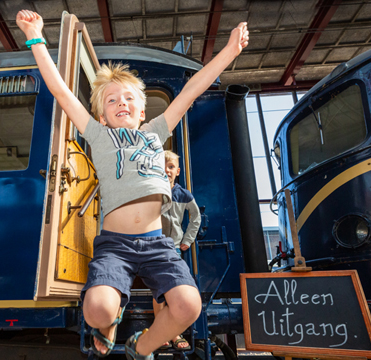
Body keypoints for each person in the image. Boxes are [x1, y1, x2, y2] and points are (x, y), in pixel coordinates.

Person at [16, 10, 249, 360]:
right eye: (112, 100)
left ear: (142, 111)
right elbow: (61, 93)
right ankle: (109, 321)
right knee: (97, 310)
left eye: (128, 99)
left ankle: (140, 347)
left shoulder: (156, 133)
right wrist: (35, 37)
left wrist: (230, 51)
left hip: (157, 243)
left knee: (189, 307)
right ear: (102, 116)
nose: (120, 103)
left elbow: (192, 88)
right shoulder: (99, 136)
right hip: (115, 245)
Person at [154, 150, 202, 351]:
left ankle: (172, 331)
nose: (167, 170)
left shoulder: (184, 195)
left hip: (173, 247)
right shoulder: (152, 191)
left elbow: (196, 217)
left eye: (171, 166)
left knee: (174, 289)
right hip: (154, 247)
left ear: (178, 171)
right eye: (162, 166)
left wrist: (187, 240)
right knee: (158, 291)